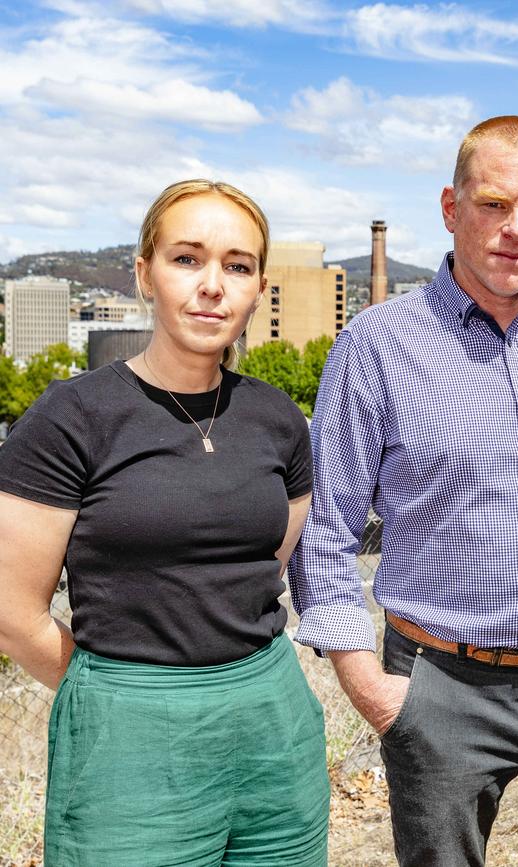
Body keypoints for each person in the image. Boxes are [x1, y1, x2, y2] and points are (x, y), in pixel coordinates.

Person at [289, 116, 518, 867]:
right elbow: (326, 534)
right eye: (494, 204)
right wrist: (375, 690)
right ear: (451, 207)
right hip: (437, 685)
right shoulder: (376, 345)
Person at [0, 179, 329, 866]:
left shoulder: (278, 420)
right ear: (145, 273)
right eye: (187, 258)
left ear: (258, 286)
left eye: (237, 265)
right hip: (129, 736)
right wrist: (114, 694)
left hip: (273, 721)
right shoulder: (71, 417)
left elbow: (264, 569)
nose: (213, 284)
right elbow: (10, 611)